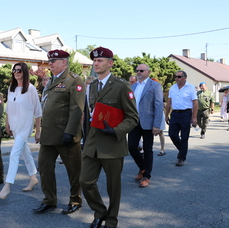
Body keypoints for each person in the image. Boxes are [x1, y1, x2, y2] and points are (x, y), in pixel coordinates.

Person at [80, 47, 138, 228]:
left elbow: (133, 117)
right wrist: (84, 140)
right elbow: (90, 116)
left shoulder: (121, 85)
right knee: (85, 181)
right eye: (94, 61)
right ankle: (100, 212)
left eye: (100, 61)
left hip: (112, 143)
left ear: (110, 63)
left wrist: (115, 131)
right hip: (92, 143)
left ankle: (111, 220)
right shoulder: (92, 86)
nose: (96, 64)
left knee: (113, 187)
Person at [33, 49, 84, 215]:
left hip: (65, 136)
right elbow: (46, 107)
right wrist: (39, 130)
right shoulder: (51, 81)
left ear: (64, 62)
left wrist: (70, 132)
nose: (50, 64)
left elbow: (77, 109)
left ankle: (75, 199)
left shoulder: (74, 80)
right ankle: (49, 200)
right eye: (50, 61)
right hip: (49, 136)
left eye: (54, 61)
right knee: (44, 168)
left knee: (73, 170)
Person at [0, 63, 42, 199]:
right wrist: (7, 124)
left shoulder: (31, 89)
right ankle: (33, 177)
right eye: (14, 70)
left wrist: (38, 132)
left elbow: (38, 112)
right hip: (15, 126)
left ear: (25, 72)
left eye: (19, 70)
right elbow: (8, 108)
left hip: (25, 126)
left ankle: (7, 186)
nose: (16, 72)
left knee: (14, 153)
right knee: (25, 152)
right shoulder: (11, 88)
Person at [128, 64, 163, 188]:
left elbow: (159, 106)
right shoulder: (133, 86)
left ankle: (147, 176)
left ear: (148, 72)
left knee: (148, 149)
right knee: (131, 146)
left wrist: (157, 125)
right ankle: (142, 167)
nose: (138, 72)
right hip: (134, 122)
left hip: (148, 122)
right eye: (137, 70)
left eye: (141, 71)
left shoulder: (154, 86)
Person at [165, 70, 198, 166]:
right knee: (172, 134)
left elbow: (195, 103)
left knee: (184, 137)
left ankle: (181, 158)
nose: (177, 78)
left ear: (185, 78)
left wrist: (194, 117)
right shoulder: (173, 88)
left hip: (186, 114)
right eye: (176, 77)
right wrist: (166, 115)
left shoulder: (191, 88)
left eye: (179, 76)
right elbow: (169, 102)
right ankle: (182, 150)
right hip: (175, 114)